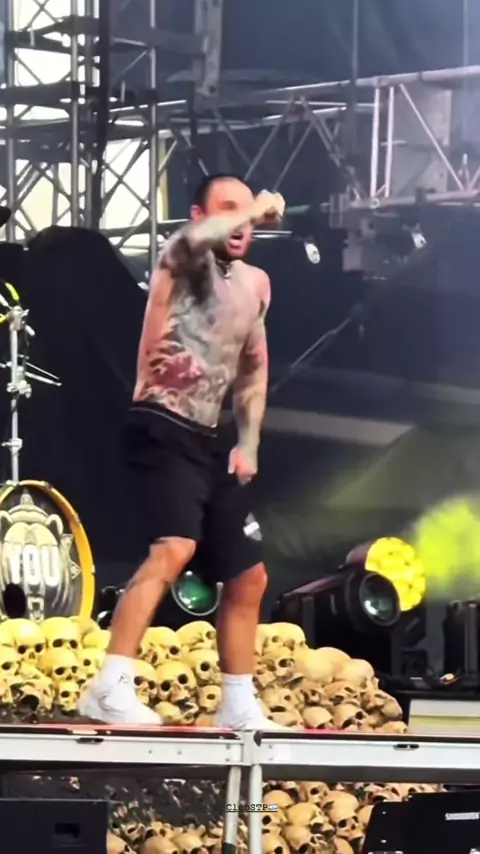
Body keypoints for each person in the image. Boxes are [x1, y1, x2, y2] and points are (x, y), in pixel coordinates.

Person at [79, 173, 285, 728]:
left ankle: (237, 705)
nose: (241, 223)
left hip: (209, 437)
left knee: (249, 575)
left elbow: (253, 368)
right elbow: (194, 241)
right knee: (175, 547)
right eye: (227, 209)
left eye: (246, 212)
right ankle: (109, 686)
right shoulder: (181, 256)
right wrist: (256, 209)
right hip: (160, 421)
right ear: (200, 215)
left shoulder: (257, 284)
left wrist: (249, 442)